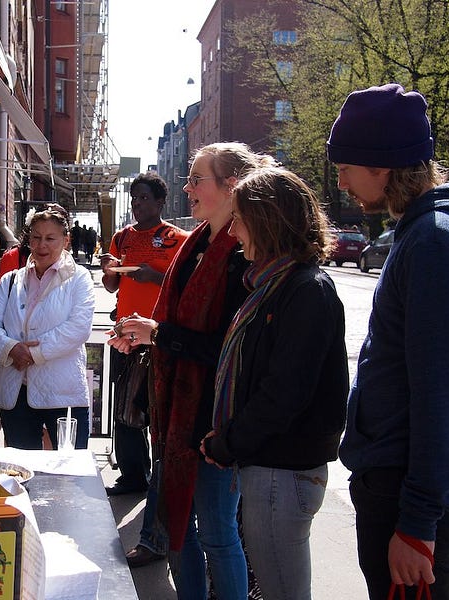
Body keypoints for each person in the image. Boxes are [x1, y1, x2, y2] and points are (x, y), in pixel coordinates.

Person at [328, 83, 449, 599]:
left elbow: (448, 391)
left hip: (406, 484)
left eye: (345, 166)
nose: (341, 181)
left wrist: (417, 521)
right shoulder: (433, 230)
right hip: (406, 474)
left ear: (382, 164)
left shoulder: (437, 240)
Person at [113, 143, 273, 598]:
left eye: (196, 179)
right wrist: (145, 334)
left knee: (217, 531)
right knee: (179, 531)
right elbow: (176, 320)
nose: (187, 188)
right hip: (176, 416)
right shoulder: (198, 241)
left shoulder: (245, 253)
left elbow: (231, 350)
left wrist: (159, 335)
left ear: (232, 186)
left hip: (216, 418)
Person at [200, 166, 349, 600]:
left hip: (282, 471)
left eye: (240, 219)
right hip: (270, 468)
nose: (233, 231)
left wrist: (227, 443)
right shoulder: (272, 285)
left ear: (267, 221)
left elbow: (284, 393)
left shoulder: (305, 289)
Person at [100, 172, 188, 497]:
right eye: (134, 198)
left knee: (158, 412)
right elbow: (111, 286)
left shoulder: (177, 238)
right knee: (125, 412)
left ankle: (163, 478)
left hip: (160, 336)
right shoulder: (122, 237)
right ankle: (133, 476)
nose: (137, 204)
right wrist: (109, 269)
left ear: (160, 201)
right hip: (125, 336)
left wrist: (154, 276)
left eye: (144, 198)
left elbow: (186, 286)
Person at [0, 206, 95, 450]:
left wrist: (32, 353)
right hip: (16, 393)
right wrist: (11, 348)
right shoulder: (11, 280)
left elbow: (78, 328)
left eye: (50, 238)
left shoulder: (80, 278)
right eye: (36, 237)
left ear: (66, 241)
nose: (42, 245)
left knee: (69, 467)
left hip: (63, 393)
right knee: (21, 467)